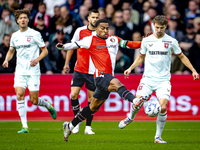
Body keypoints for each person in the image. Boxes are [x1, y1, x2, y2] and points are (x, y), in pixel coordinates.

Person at [56, 19, 148, 142]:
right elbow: (74, 44)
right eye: (102, 28)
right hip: (100, 76)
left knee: (92, 107)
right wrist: (63, 46)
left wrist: (146, 42)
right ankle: (135, 100)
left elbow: (129, 44)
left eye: (107, 28)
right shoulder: (90, 40)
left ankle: (69, 126)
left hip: (107, 77)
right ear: (96, 29)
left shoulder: (113, 39)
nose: (105, 30)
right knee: (117, 83)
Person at [118, 15, 199, 143]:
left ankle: (158, 137)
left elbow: (182, 57)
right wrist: (130, 68)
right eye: (157, 27)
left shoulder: (172, 41)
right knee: (137, 101)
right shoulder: (147, 41)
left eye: (161, 28)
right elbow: (140, 57)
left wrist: (193, 70)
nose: (159, 30)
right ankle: (130, 118)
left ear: (166, 26)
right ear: (153, 26)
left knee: (162, 107)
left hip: (163, 80)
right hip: (148, 79)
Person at [2, 8, 57, 133]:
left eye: (25, 18)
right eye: (20, 18)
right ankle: (24, 126)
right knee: (19, 95)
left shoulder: (35, 34)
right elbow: (11, 51)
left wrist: (37, 59)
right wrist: (6, 60)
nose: (23, 20)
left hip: (33, 71)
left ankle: (47, 105)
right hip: (20, 71)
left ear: (28, 20)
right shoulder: (14, 36)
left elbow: (45, 51)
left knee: (34, 100)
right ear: (17, 21)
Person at [62, 9, 100, 135]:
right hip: (79, 69)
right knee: (73, 95)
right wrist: (67, 63)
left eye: (97, 17)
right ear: (88, 18)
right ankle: (77, 122)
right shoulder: (80, 31)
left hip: (93, 71)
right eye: (93, 17)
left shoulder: (101, 32)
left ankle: (88, 127)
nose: (95, 19)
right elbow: (71, 47)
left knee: (92, 100)